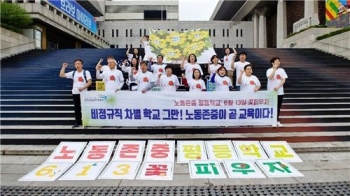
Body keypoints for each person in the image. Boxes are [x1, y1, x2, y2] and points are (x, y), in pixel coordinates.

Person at [59, 59, 92, 128]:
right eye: (76, 64)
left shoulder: (86, 72)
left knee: (85, 108)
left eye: (79, 63)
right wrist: (63, 67)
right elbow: (61, 75)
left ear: (82, 64)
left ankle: (86, 122)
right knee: (77, 108)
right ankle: (78, 122)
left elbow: (89, 82)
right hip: (75, 93)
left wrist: (83, 88)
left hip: (84, 93)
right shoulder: (73, 73)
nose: (77, 65)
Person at [267, 57, 288, 127]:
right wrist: (274, 70)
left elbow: (283, 80)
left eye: (279, 61)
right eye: (276, 61)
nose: (278, 62)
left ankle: (277, 120)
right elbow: (270, 77)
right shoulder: (269, 70)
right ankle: (272, 120)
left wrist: (278, 87)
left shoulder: (282, 70)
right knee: (272, 106)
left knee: (278, 107)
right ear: (272, 63)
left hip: (279, 91)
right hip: (271, 91)